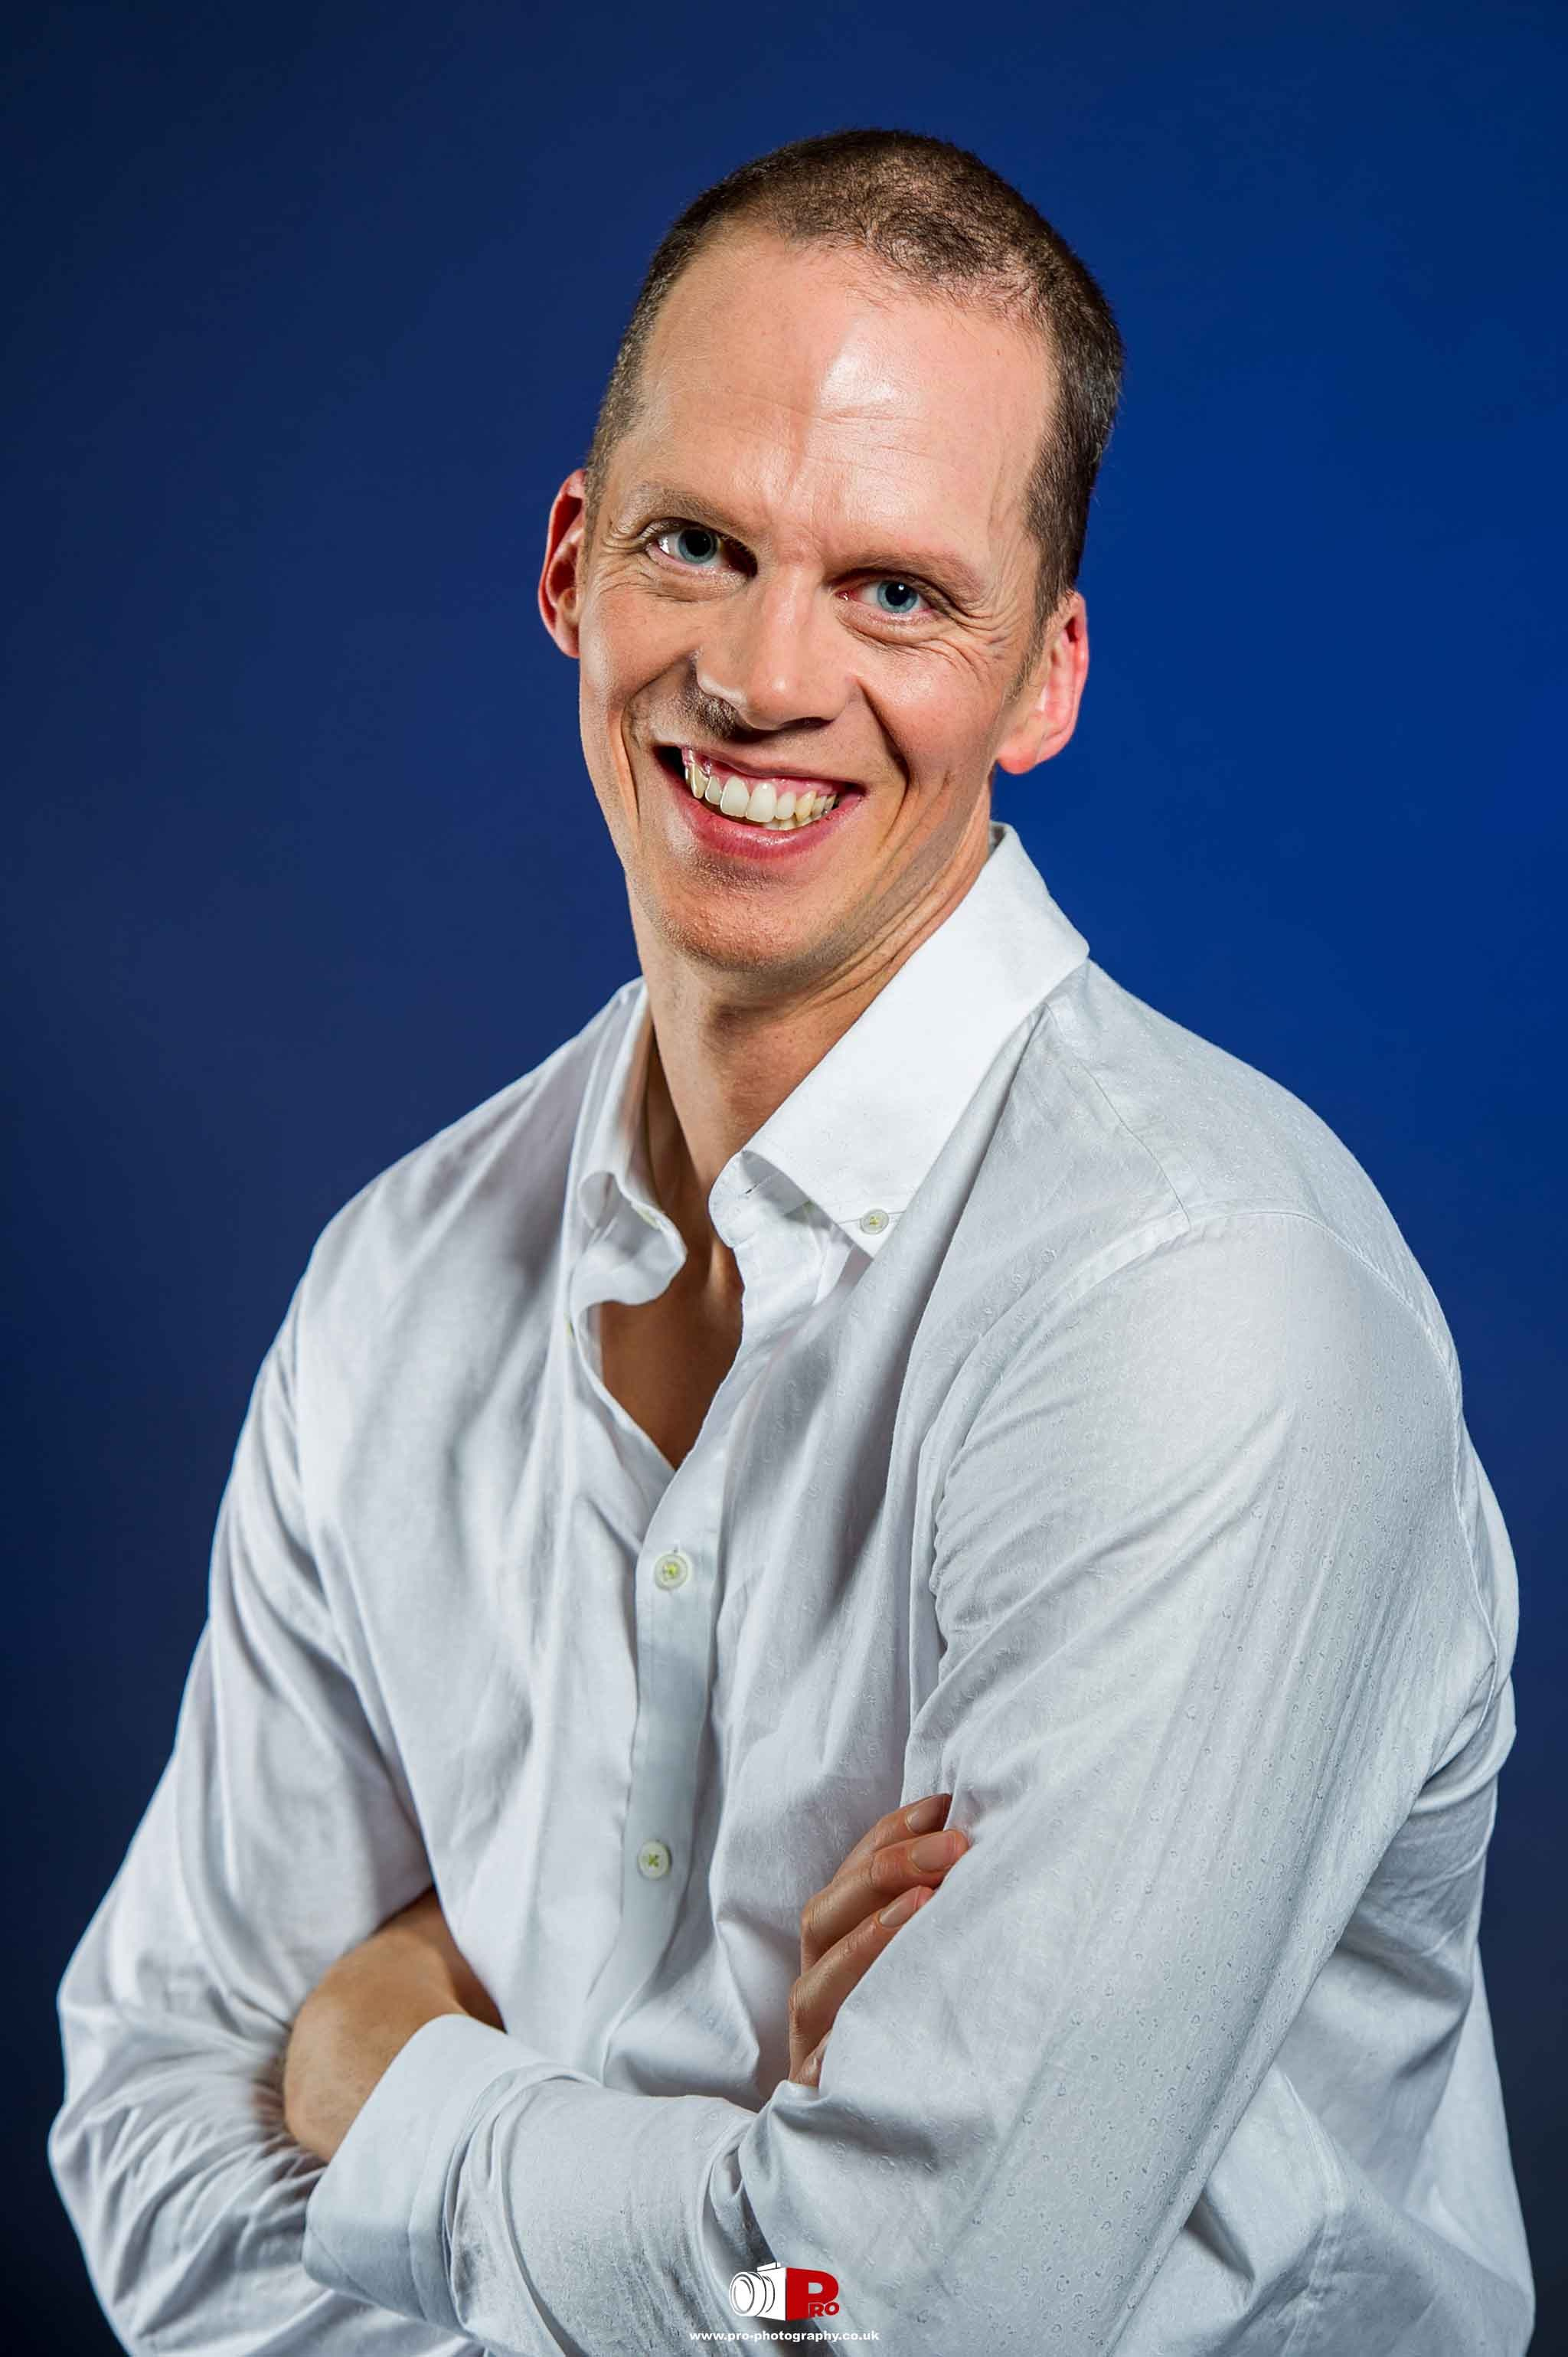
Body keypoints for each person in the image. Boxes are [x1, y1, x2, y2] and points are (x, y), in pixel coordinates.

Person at [49, 128, 1534, 2355]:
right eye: (700, 545)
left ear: (1044, 678)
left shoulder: (1205, 1311)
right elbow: (150, 2157)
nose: (761, 675)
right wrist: (734, 2183)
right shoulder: (396, 1286)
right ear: (574, 566)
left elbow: (909, 2310)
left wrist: (387, 2081)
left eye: (898, 594)